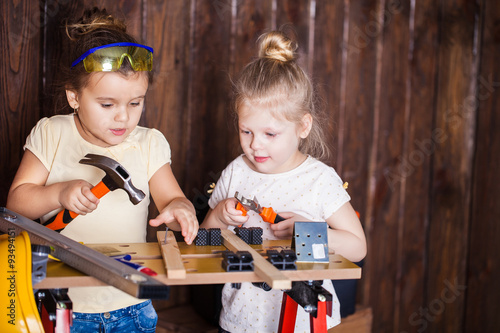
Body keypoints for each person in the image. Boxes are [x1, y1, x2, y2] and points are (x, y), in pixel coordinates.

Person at [6, 7, 198, 332]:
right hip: (63, 303)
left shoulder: (149, 143)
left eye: (135, 103)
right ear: (74, 97)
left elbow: (172, 200)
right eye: (107, 105)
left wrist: (181, 210)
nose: (123, 117)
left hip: (131, 304)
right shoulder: (53, 133)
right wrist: (59, 193)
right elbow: (15, 206)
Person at [200, 29, 367, 332]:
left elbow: (358, 248)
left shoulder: (319, 180)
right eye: (246, 131)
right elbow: (204, 241)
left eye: (270, 134)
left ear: (303, 126)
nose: (255, 145)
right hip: (240, 321)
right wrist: (217, 215)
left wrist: (309, 232)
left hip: (304, 321)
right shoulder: (236, 171)